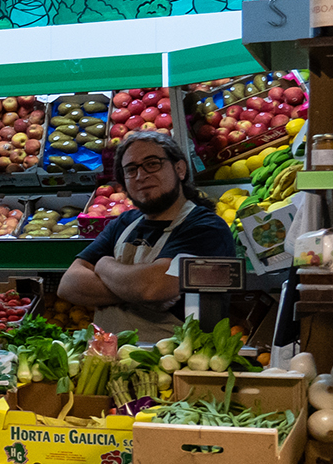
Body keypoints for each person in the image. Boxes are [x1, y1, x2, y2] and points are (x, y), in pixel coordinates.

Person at [56, 130, 239, 337]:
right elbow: (69, 285)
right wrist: (136, 291)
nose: (141, 176)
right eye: (131, 169)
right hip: (106, 354)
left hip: (172, 355)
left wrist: (104, 265)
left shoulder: (206, 228)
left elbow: (152, 288)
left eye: (152, 164)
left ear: (180, 169)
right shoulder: (124, 222)